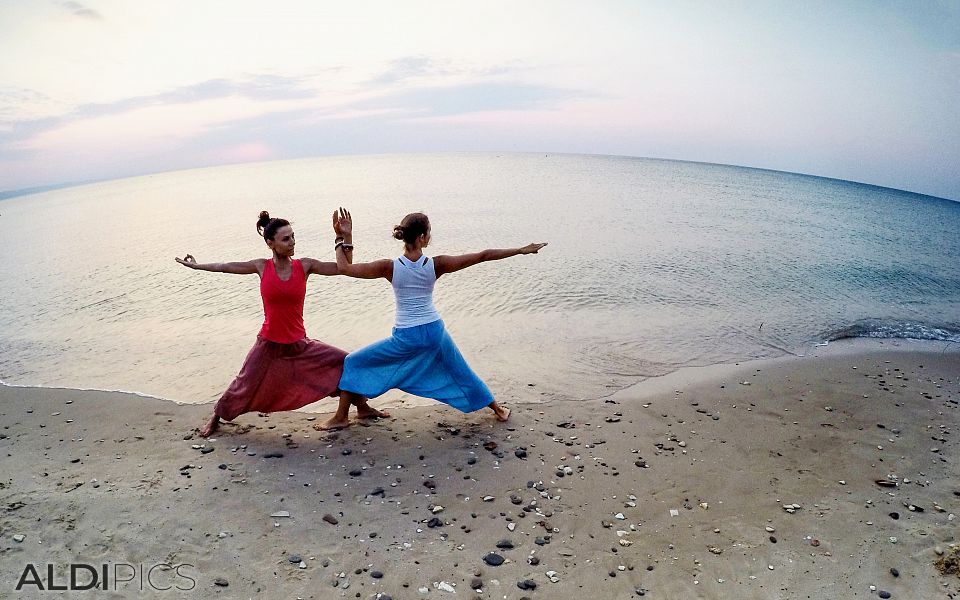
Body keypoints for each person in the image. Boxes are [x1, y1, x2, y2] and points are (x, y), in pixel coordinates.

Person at [175, 210, 388, 437]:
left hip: (299, 345)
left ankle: (361, 408)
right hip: (269, 345)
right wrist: (197, 266)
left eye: (293, 237)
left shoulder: (304, 266)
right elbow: (225, 266)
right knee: (244, 384)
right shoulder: (261, 266)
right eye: (286, 239)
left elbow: (344, 268)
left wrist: (345, 237)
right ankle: (216, 416)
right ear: (271, 243)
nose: (292, 242)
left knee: (347, 363)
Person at [331, 208, 547, 421]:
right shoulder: (437, 264)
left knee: (354, 362)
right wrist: (520, 250)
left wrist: (342, 237)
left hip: (407, 336)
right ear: (423, 237)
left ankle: (342, 416)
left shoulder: (389, 267)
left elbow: (344, 268)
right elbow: (483, 256)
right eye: (429, 232)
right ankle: (498, 409)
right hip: (434, 330)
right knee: (461, 371)